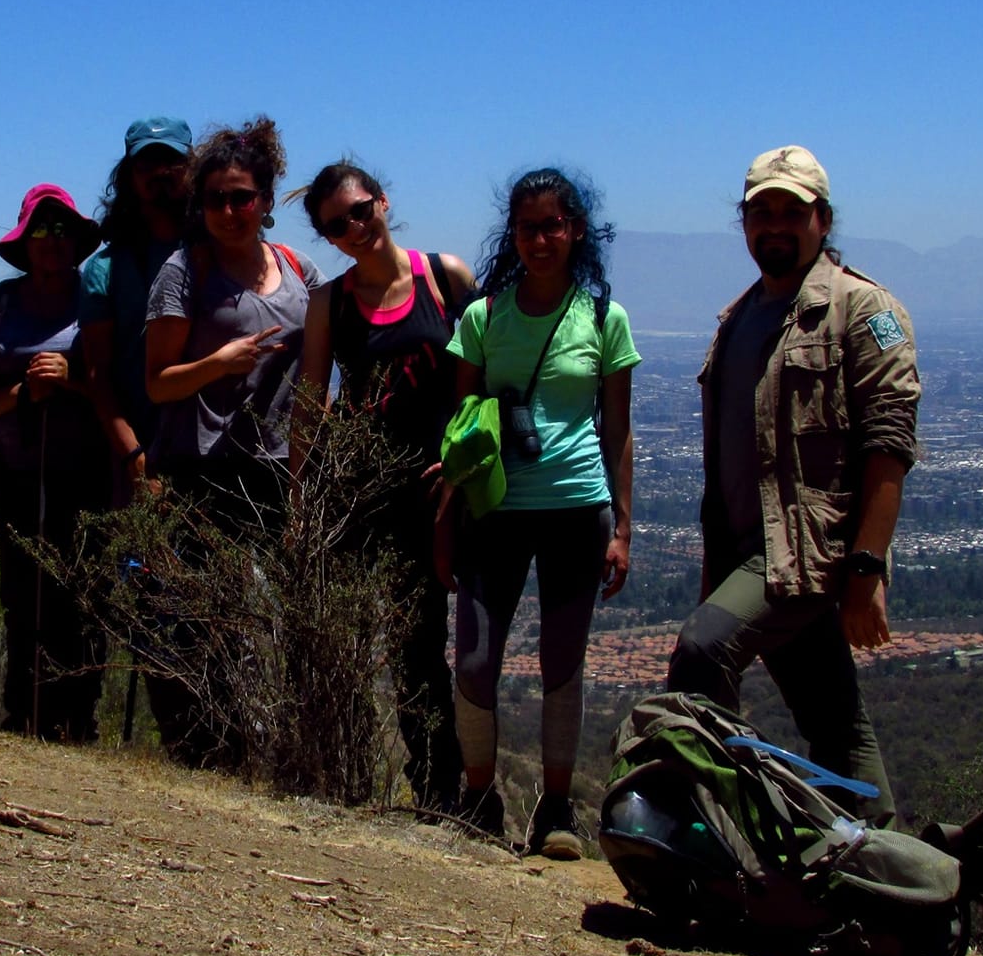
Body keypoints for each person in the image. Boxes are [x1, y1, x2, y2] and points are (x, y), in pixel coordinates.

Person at [666, 145, 916, 826]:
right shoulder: (739, 317)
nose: (774, 226)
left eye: (791, 212)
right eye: (760, 213)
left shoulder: (862, 310)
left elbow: (890, 448)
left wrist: (866, 566)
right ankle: (888, 877)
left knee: (702, 652)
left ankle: (724, 835)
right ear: (744, 223)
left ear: (823, 219)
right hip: (750, 545)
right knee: (837, 725)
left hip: (805, 553)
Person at [443, 168, 638, 857]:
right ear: (514, 235)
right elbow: (461, 421)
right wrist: (446, 519)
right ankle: (479, 797)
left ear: (576, 230)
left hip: (576, 509)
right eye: (528, 227)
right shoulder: (482, 317)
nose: (541, 238)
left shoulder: (603, 319)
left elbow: (617, 431)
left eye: (553, 224)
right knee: (473, 659)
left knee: (563, 663)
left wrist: (623, 528)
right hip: (494, 510)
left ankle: (556, 812)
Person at [141, 116, 325, 765]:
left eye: (241, 196)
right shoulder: (184, 272)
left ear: (267, 202)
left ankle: (277, 755)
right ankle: (210, 756)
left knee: (278, 620)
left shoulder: (301, 271)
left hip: (281, 471)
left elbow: (324, 366)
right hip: (204, 472)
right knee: (203, 622)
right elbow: (158, 384)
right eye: (215, 198)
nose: (228, 210)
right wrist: (219, 363)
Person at [292, 161, 473, 816]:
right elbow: (310, 405)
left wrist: (466, 465)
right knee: (367, 643)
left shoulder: (445, 278)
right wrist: (299, 501)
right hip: (362, 498)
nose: (353, 229)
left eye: (360, 211)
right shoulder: (329, 304)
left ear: (384, 202)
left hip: (443, 494)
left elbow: (480, 382)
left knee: (442, 649)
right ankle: (370, 784)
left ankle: (454, 797)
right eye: (335, 225)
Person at [0, 184, 108, 740]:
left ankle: (78, 718)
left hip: (87, 471)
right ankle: (24, 712)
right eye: (40, 232)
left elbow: (114, 385)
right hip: (20, 469)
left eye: (61, 231)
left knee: (83, 591)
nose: (51, 243)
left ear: (76, 241)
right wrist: (27, 392)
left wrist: (71, 382)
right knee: (22, 592)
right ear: (23, 242)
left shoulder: (98, 298)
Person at [80, 117, 193, 505]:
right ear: (128, 175)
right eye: (147, 164)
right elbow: (98, 375)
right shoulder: (104, 269)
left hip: (215, 456)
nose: (160, 173)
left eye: (172, 163)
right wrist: (133, 456)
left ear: (191, 170)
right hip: (139, 458)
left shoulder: (216, 254)